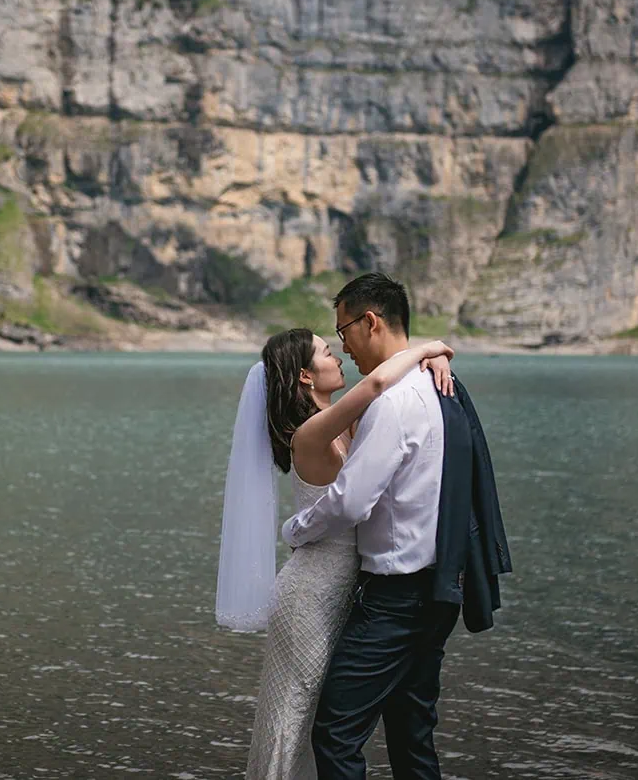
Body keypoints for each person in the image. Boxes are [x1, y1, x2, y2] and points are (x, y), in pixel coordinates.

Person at [284, 272, 509, 779]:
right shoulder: (439, 383)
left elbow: (349, 503)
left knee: (336, 733)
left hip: (395, 600)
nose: (343, 345)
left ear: (370, 322)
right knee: (412, 734)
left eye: (343, 332)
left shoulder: (392, 401)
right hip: (438, 589)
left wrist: (296, 529)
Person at [217, 319, 455, 779]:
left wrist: (433, 361)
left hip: (344, 592)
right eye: (327, 353)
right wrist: (433, 347)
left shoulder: (349, 423)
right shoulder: (311, 433)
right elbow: (382, 379)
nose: (339, 357)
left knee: (323, 718)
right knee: (294, 717)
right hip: (309, 596)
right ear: (306, 375)